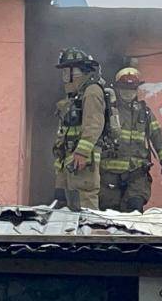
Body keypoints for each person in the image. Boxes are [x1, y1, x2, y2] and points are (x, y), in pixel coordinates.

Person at [100, 67, 162, 212]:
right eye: (125, 88)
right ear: (118, 89)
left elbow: (157, 135)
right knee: (110, 214)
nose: (128, 92)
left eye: (132, 89)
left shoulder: (144, 112)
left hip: (137, 174)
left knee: (135, 209)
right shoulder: (108, 111)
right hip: (110, 175)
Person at [52, 47, 106, 211]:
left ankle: (89, 235)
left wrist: (82, 152)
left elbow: (94, 123)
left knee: (85, 203)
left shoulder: (91, 91)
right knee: (68, 206)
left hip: (83, 160)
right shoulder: (76, 95)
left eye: (66, 72)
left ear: (76, 72)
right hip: (70, 158)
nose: (64, 78)